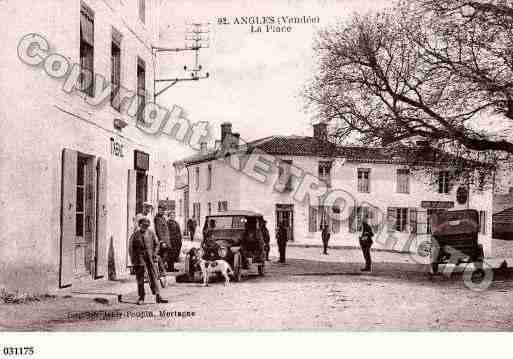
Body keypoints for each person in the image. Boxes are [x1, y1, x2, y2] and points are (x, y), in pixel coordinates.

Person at [129, 217, 168, 305]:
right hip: (139, 259)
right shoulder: (135, 235)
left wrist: (155, 253)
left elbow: (157, 244)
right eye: (143, 225)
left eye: (146, 226)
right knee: (140, 278)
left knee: (154, 277)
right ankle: (141, 297)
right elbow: (131, 248)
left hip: (150, 257)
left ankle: (158, 296)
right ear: (139, 225)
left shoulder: (151, 233)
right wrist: (133, 261)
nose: (145, 227)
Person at [154, 204, 171, 273]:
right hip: (162, 241)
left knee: (165, 256)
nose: (162, 211)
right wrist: (162, 241)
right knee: (162, 256)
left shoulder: (163, 218)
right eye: (160, 210)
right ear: (158, 210)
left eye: (163, 210)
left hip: (166, 241)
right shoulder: (157, 219)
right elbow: (159, 231)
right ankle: (161, 270)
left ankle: (162, 269)